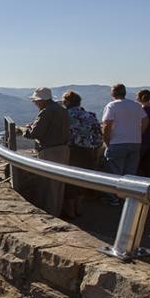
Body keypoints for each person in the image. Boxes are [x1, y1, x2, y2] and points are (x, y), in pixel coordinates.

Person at [17, 87, 69, 217]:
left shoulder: (46, 112)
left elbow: (35, 133)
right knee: (58, 185)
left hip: (50, 151)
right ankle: (57, 211)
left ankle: (49, 215)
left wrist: (23, 129)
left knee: (48, 186)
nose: (35, 103)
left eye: (36, 101)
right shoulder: (62, 110)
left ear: (42, 101)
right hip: (63, 150)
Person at [101, 83, 149, 205]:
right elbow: (145, 120)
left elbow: (107, 125)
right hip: (135, 142)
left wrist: (107, 141)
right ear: (125, 93)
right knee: (130, 174)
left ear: (112, 93)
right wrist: (139, 133)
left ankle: (114, 198)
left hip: (117, 142)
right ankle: (128, 199)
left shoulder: (112, 105)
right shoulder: (136, 105)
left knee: (114, 173)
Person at [61, 90, 102, 218]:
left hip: (71, 151)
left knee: (69, 181)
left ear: (67, 102)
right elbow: (98, 136)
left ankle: (70, 212)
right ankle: (79, 208)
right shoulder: (90, 115)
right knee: (82, 180)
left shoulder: (65, 116)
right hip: (88, 152)